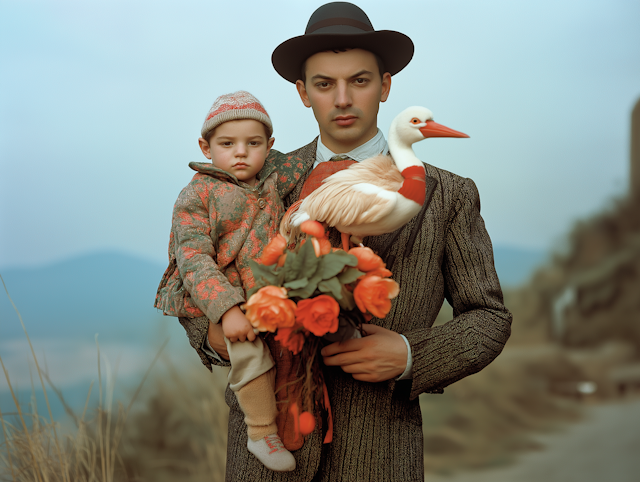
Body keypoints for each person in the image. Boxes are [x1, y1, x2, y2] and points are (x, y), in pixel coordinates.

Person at [184, 3, 512, 481]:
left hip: (379, 456)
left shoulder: (450, 195)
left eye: (359, 81)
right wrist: (214, 333)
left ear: (386, 85)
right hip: (262, 456)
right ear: (302, 93)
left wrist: (409, 355)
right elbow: (193, 276)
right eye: (323, 84)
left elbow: (489, 318)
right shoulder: (254, 178)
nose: (342, 99)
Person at [155, 91, 307, 472]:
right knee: (248, 349)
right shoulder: (197, 194)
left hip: (265, 289)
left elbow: (306, 163)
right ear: (206, 147)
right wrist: (226, 312)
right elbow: (193, 259)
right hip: (218, 293)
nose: (241, 153)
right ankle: (261, 431)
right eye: (227, 144)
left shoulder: (271, 177)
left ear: (269, 147)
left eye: (253, 144)